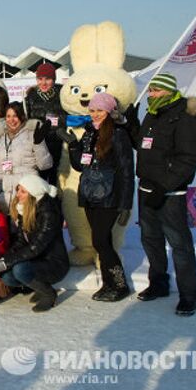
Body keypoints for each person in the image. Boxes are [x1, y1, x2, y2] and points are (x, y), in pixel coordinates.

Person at [125, 73, 196, 316]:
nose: (151, 95)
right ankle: (158, 283)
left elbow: (188, 160)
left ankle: (189, 295)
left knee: (179, 244)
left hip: (170, 193)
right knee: (151, 239)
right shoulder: (153, 113)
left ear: (169, 91)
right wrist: (132, 126)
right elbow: (144, 145)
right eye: (150, 91)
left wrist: (164, 186)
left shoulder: (186, 119)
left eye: (156, 91)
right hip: (147, 188)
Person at [60, 92, 134, 302]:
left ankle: (120, 285)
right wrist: (74, 144)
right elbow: (79, 164)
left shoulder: (118, 134)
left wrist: (126, 205)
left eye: (100, 110)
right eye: (92, 110)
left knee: (100, 240)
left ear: (110, 111)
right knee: (102, 241)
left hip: (110, 196)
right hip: (91, 194)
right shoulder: (89, 132)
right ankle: (108, 283)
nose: (95, 114)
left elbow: (127, 170)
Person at [0, 175, 69, 312]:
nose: (17, 194)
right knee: (7, 277)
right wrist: (2, 260)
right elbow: (20, 241)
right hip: (37, 260)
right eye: (18, 189)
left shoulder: (49, 213)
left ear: (33, 194)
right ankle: (39, 286)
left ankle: (49, 293)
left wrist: (6, 262)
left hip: (54, 264)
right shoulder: (24, 209)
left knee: (20, 270)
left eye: (22, 191)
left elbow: (35, 247)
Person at [0, 101, 53, 212]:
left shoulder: (33, 134)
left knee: (25, 228)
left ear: (22, 116)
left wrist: (38, 143)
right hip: (6, 198)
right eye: (8, 116)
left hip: (26, 195)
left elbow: (45, 165)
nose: (11, 120)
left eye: (15, 116)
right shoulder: (2, 138)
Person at [25, 62, 67, 185]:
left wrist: (59, 121)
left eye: (47, 79)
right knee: (40, 180)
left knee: (57, 180)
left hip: (59, 144)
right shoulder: (30, 97)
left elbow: (69, 117)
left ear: (54, 79)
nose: (43, 83)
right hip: (39, 146)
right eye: (40, 79)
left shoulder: (63, 95)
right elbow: (26, 121)